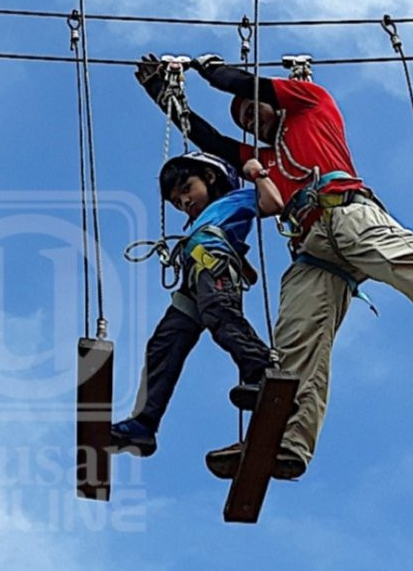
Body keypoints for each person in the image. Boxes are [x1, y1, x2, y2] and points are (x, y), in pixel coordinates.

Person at [135, 53, 413, 480]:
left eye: (252, 110)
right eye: (244, 121)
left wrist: (206, 68)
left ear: (273, 102)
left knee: (406, 263)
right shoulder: (266, 158)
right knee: (297, 335)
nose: (250, 121)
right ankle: (288, 442)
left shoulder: (310, 105)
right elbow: (212, 141)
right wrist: (164, 99)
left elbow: (243, 82)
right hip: (311, 248)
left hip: (346, 212)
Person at [109, 151, 284, 457]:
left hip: (212, 268)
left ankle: (262, 371)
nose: (184, 202)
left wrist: (257, 173)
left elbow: (273, 204)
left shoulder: (234, 199)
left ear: (211, 178)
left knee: (220, 315)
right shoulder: (203, 220)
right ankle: (145, 424)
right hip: (194, 280)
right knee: (163, 343)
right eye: (177, 201)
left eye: (187, 189)